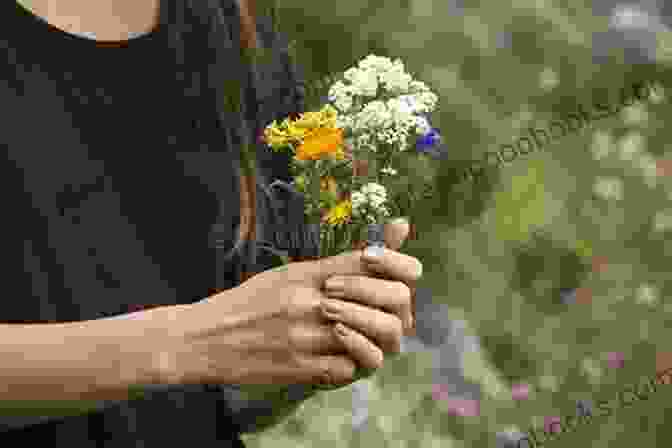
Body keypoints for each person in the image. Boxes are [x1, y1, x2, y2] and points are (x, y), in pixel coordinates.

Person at [0, 0, 423, 446]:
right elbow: (206, 341)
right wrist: (197, 341)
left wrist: (308, 346)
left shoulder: (234, 34)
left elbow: (220, 400)